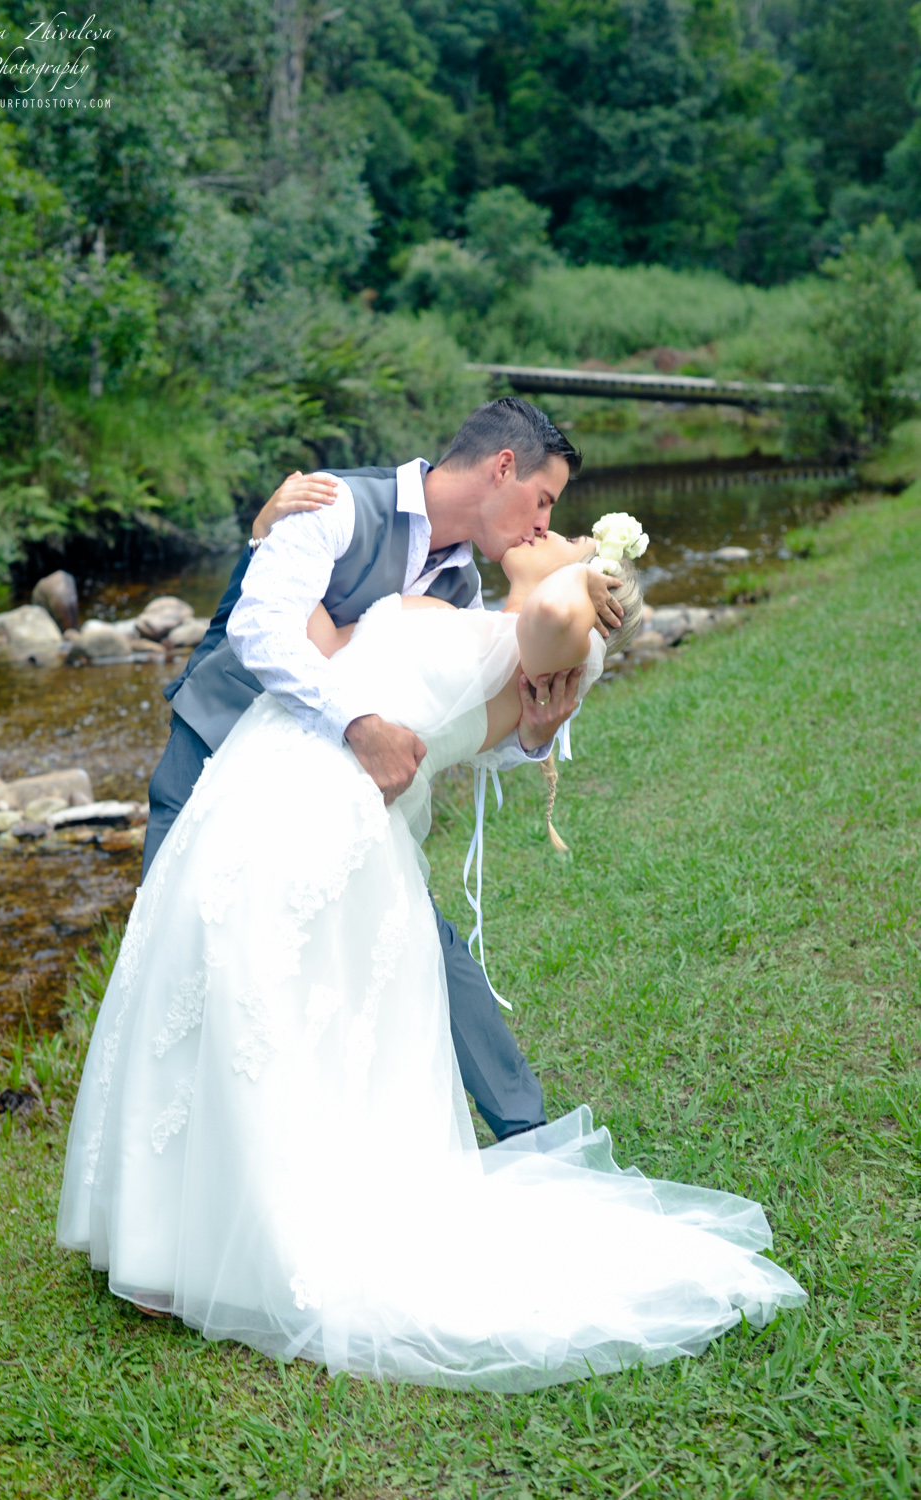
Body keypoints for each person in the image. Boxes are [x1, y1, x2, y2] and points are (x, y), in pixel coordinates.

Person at [57, 520, 805, 1392]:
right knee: (208, 1003)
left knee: (259, 1017)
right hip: (268, 781)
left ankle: (259, 1247)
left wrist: (593, 567)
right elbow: (323, 644)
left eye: (560, 519)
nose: (547, 526)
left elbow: (558, 613)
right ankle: (165, 1242)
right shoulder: (482, 613)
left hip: (330, 821)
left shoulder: (555, 643)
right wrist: (274, 532)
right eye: (547, 511)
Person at [140, 398, 627, 1142]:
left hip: (338, 799)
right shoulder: (332, 501)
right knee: (177, 961)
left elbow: (449, 718)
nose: (542, 523)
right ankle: (183, 1168)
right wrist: (358, 722)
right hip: (216, 759)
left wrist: (532, 738)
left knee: (414, 935)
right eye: (543, 500)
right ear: (503, 467)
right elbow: (259, 625)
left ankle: (525, 1130)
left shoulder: (462, 591)